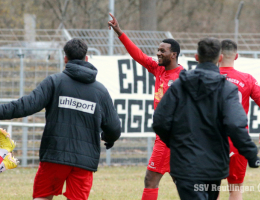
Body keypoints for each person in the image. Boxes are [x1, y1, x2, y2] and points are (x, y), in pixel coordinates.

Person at [0, 38, 121, 200]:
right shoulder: (101, 91)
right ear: (86, 58)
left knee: (42, 197)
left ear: (65, 58)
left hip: (54, 154)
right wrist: (108, 138)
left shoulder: (54, 82)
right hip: (84, 160)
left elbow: (25, 106)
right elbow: (114, 128)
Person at [152, 37, 260, 200]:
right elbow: (235, 125)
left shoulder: (179, 85)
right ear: (220, 58)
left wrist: (175, 142)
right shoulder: (227, 89)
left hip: (184, 164)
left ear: (196, 57)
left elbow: (160, 120)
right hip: (214, 165)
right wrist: (251, 154)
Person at [108, 13, 184, 200]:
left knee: (151, 179)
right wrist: (120, 33)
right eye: (158, 50)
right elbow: (138, 55)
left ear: (173, 54)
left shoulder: (183, 78)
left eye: (162, 51)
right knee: (183, 181)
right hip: (169, 137)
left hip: (170, 138)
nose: (158, 53)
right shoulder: (159, 69)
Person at [218, 39, 260, 200]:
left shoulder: (207, 78)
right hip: (238, 140)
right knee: (235, 189)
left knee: (209, 187)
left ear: (218, 57)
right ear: (236, 57)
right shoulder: (247, 79)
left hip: (212, 139)